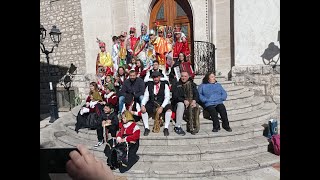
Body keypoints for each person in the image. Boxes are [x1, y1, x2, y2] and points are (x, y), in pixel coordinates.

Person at [141, 71, 172, 136]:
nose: (155, 79)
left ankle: (166, 128)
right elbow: (146, 97)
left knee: (169, 109)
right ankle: (147, 128)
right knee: (143, 110)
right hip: (152, 103)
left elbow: (167, 97)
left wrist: (162, 107)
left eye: (157, 77)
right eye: (154, 77)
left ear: (160, 77)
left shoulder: (165, 85)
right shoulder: (149, 85)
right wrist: (143, 105)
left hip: (162, 103)